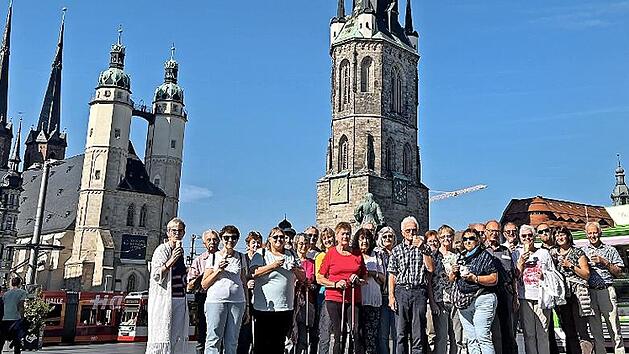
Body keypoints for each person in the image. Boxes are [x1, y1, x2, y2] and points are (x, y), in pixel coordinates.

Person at [250, 227, 305, 354]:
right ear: (269, 239)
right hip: (264, 309)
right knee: (262, 345)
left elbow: (303, 277)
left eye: (282, 237)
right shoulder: (262, 253)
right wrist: (273, 266)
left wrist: (295, 269)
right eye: (275, 237)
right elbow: (253, 273)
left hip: (285, 307)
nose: (279, 239)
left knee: (279, 345)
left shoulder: (291, 254)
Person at [316, 222, 367, 354]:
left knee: (356, 331)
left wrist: (358, 279)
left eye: (348, 233)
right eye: (342, 233)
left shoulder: (357, 254)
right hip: (334, 298)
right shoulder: (331, 253)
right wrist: (335, 284)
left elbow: (364, 276)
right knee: (339, 333)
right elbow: (320, 277)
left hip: (353, 299)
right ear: (337, 236)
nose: (345, 236)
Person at [388, 216, 434, 354]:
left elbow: (431, 268)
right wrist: (391, 296)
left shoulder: (425, 248)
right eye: (408, 231)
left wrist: (423, 249)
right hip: (401, 291)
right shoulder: (396, 251)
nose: (412, 234)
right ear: (402, 232)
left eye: (414, 230)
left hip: (419, 292)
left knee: (418, 334)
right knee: (400, 333)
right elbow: (392, 275)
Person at [202, 226, 249, 354]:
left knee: (232, 340)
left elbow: (244, 282)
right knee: (213, 339)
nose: (230, 240)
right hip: (216, 302)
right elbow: (204, 284)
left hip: (238, 302)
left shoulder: (241, 257)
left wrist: (248, 307)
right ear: (221, 239)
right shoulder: (213, 257)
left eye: (234, 238)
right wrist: (218, 270)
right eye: (226, 237)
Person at [146, 217, 190, 354]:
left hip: (179, 297)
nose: (177, 233)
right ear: (168, 232)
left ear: (183, 233)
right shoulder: (162, 250)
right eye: (174, 231)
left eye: (180, 231)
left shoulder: (181, 252)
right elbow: (156, 274)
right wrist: (172, 260)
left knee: (175, 336)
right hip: (164, 300)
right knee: (162, 336)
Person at [451, 228, 498, 354]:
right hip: (464, 301)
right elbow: (451, 279)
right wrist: (454, 272)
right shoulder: (461, 256)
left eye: (471, 238)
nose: (468, 241)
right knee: (471, 339)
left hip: (482, 298)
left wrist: (475, 278)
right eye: (465, 239)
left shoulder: (485, 255)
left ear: (477, 240)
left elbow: (494, 278)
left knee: (483, 337)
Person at [512, 224, 557, 354]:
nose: (527, 238)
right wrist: (520, 262)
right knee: (529, 333)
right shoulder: (516, 253)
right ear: (520, 238)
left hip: (541, 296)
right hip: (524, 296)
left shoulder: (544, 253)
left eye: (530, 235)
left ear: (534, 237)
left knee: (543, 332)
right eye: (524, 236)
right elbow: (514, 276)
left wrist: (544, 275)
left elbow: (553, 274)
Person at [583, 221, 625, 354]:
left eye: (595, 232)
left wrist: (604, 262)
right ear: (586, 235)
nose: (592, 235)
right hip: (590, 292)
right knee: (595, 331)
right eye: (590, 233)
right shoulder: (583, 251)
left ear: (600, 233)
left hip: (606, 290)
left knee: (614, 328)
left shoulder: (610, 250)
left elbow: (619, 272)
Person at [551, 227, 594, 354]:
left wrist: (571, 266)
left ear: (568, 236)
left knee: (581, 329)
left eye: (562, 235)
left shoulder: (577, 252)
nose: (560, 238)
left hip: (577, 293)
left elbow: (586, 274)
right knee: (568, 328)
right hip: (562, 294)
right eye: (557, 235)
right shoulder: (553, 253)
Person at [484, 220, 518, 354]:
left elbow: (513, 275)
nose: (494, 234)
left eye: (497, 231)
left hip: (505, 293)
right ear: (486, 232)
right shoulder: (481, 251)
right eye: (491, 231)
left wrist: (515, 296)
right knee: (490, 332)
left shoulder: (506, 251)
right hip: (487, 292)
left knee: (507, 330)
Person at [187, 230, 221, 354]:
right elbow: (189, 286)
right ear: (204, 244)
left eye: (214, 239)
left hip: (220, 299)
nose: (212, 242)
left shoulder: (225, 258)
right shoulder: (198, 260)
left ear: (219, 241)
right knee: (202, 335)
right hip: (203, 297)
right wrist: (203, 276)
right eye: (209, 240)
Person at [434, 225, 464, 354]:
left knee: (457, 337)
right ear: (439, 239)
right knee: (441, 337)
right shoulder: (435, 255)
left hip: (456, 299)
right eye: (443, 236)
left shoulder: (458, 255)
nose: (446, 239)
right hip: (440, 299)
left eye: (449, 236)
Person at [355, 228, 384, 354]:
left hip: (373, 299)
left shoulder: (376, 256)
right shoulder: (354, 255)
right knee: (357, 334)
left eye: (367, 238)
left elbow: (383, 278)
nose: (365, 241)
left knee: (371, 335)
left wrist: (372, 273)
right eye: (362, 238)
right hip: (358, 299)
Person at [535, 223, 559, 354]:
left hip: (562, 294)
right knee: (548, 329)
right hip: (546, 294)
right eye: (540, 232)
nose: (544, 233)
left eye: (546, 230)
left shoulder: (560, 246)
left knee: (569, 328)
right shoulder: (539, 252)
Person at [237, 231, 262, 354]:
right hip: (245, 298)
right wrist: (246, 283)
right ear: (248, 244)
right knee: (244, 333)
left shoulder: (263, 258)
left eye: (258, 242)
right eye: (253, 242)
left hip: (260, 299)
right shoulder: (243, 258)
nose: (256, 245)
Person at [373, 226, 397, 354]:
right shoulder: (377, 253)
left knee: (396, 332)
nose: (388, 239)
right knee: (382, 332)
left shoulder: (398, 253)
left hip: (396, 296)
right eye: (385, 236)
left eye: (390, 236)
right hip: (382, 296)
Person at [315, 227, 337, 354]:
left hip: (339, 294)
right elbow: (319, 277)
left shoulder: (340, 253)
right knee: (325, 330)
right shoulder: (321, 256)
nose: (328, 240)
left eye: (329, 237)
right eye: (324, 238)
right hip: (324, 294)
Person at [294, 233, 316, 354]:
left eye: (306, 243)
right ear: (296, 244)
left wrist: (310, 285)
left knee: (303, 335)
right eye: (301, 243)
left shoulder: (311, 263)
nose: (304, 246)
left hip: (307, 301)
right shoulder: (292, 260)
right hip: (293, 300)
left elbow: (314, 282)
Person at [1, 277, 28, 354]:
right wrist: (22, 317)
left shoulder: (6, 294)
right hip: (16, 318)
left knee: (2, 338)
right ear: (19, 283)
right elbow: (21, 306)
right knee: (17, 338)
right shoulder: (22, 292)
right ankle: (16, 350)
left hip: (5, 318)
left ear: (11, 284)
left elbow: (4, 305)